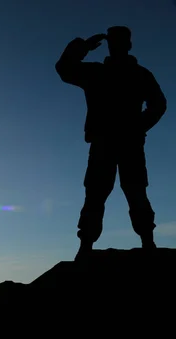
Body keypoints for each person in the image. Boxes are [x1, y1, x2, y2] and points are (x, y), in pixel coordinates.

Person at [55, 26, 167, 260]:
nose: (118, 44)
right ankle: (87, 245)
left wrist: (138, 127)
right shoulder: (99, 73)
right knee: (97, 194)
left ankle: (146, 241)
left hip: (126, 143)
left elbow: (159, 104)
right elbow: (64, 69)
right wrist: (83, 46)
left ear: (127, 44)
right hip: (107, 143)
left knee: (133, 192)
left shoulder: (134, 74)